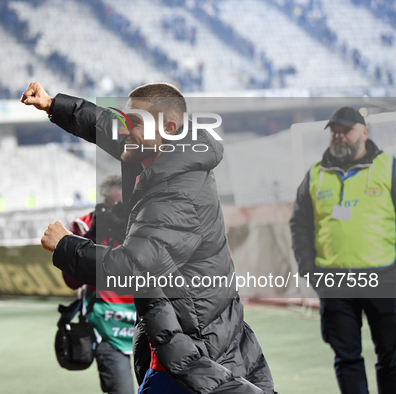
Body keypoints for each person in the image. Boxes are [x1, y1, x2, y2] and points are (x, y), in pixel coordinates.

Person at [22, 82, 275, 393]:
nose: (124, 130)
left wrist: (66, 245)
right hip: (183, 337)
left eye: (135, 122)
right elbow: (106, 124)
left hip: (194, 350)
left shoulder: (176, 194)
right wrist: (53, 104)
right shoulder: (158, 154)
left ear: (168, 127)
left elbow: (132, 269)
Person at [290, 106, 396, 394]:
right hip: (335, 283)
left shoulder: (389, 167)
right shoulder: (314, 175)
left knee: (392, 356)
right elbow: (299, 225)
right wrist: (309, 270)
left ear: (364, 131)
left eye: (345, 130)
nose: (339, 136)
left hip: (384, 280)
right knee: (347, 358)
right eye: (334, 131)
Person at [63, 175, 136, 394]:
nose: (117, 212)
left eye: (123, 206)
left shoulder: (147, 223)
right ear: (102, 202)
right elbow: (71, 280)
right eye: (112, 206)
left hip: (149, 325)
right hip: (106, 328)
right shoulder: (83, 226)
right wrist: (92, 237)